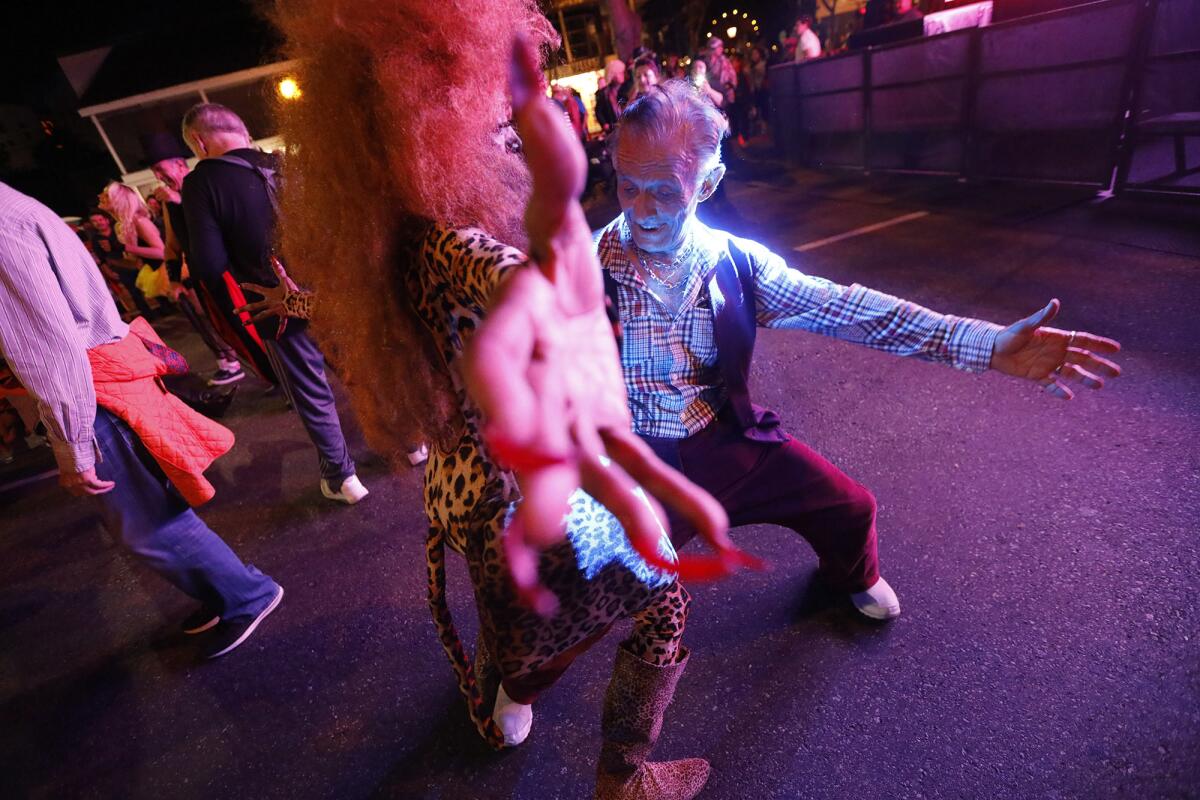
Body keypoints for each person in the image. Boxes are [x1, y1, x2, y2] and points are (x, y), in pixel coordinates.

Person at [270, 3, 739, 797]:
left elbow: (374, 316)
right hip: (519, 488)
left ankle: (503, 703)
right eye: (491, 110)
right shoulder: (457, 243)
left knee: (515, 619)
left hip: (456, 486)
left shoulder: (387, 237)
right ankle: (623, 777)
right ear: (432, 120)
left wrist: (303, 304)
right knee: (662, 598)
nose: (506, 126)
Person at [594, 80, 1123, 621]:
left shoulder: (736, 262)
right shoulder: (579, 266)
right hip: (636, 461)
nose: (642, 211)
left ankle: (852, 575)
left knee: (849, 508)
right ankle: (519, 688)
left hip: (725, 437)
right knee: (587, 588)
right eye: (628, 186)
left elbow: (853, 310)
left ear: (708, 184)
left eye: (664, 191)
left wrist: (988, 345)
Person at [0, 181, 283, 659]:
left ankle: (244, 594)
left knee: (147, 523)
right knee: (151, 512)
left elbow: (49, 348)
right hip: (102, 379)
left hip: (91, 391)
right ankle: (225, 593)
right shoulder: (16, 208)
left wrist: (72, 445)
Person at [179, 103, 369, 504]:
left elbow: (208, 265)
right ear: (243, 131)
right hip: (332, 294)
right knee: (362, 372)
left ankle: (342, 478)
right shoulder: (289, 164)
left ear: (199, 140)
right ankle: (408, 444)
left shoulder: (203, 181)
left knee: (312, 391)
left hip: (276, 304)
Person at [142, 132, 250, 387]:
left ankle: (282, 378)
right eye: (154, 171)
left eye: (160, 169)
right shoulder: (171, 200)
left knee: (251, 328)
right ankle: (260, 372)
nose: (158, 176)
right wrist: (175, 279)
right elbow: (171, 244)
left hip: (231, 274)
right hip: (204, 280)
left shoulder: (201, 185)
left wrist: (180, 201)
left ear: (180, 164)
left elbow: (222, 227)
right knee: (226, 328)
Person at [594, 59, 627, 133]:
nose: (622, 74)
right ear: (613, 75)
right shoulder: (605, 93)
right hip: (615, 129)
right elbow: (598, 111)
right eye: (620, 73)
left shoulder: (626, 88)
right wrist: (604, 124)